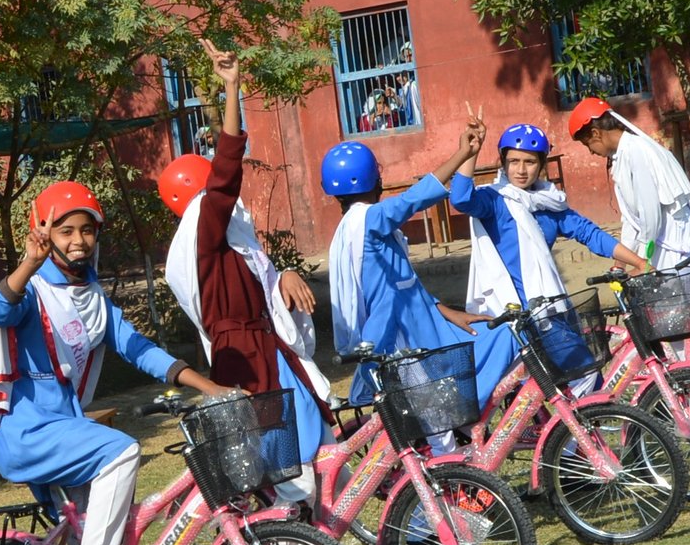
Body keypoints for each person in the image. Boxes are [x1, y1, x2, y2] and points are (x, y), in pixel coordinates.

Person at [0, 179, 228, 545]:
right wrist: (27, 263)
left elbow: (138, 348)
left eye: (87, 230)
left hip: (65, 431)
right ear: (43, 232)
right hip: (26, 431)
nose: (78, 241)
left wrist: (210, 387)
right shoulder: (35, 290)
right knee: (121, 451)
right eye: (65, 230)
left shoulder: (92, 296)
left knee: (108, 531)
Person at [159, 39, 333, 497]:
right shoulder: (205, 228)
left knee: (317, 449)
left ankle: (311, 535)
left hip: (268, 350)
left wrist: (285, 274)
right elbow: (225, 174)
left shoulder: (226, 241)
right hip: (248, 361)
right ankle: (291, 539)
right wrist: (232, 89)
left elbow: (263, 280)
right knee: (285, 468)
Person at [321, 112, 519, 412]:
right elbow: (412, 200)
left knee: (497, 335)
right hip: (405, 337)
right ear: (376, 179)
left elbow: (404, 284)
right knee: (498, 345)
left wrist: (448, 312)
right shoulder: (371, 220)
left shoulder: (353, 228)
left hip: (425, 322)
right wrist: (462, 154)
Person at [449, 122, 644, 382]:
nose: (521, 170)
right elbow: (461, 199)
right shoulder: (494, 201)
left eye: (529, 162)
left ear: (541, 164)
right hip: (511, 315)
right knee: (579, 378)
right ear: (503, 162)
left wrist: (638, 262)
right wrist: (470, 152)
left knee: (583, 378)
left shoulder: (548, 202)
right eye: (514, 161)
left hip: (548, 310)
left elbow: (590, 234)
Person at [565, 97, 690, 270]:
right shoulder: (622, 156)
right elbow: (632, 219)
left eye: (587, 144)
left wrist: (642, 261)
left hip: (677, 245)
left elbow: (650, 214)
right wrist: (621, 262)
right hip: (662, 243)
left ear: (596, 133)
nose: (591, 152)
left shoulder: (635, 151)